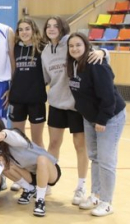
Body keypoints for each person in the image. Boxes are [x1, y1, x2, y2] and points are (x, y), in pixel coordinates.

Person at [41, 16, 106, 202]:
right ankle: (48, 183)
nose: (52, 29)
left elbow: (93, 53)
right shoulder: (45, 51)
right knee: (53, 144)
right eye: (49, 26)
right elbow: (45, 79)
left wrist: (103, 52)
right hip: (56, 104)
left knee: (80, 146)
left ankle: (80, 186)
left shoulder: (71, 44)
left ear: (62, 28)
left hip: (77, 105)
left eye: (56, 25)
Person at [67, 33, 126, 217]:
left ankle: (107, 202)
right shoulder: (74, 65)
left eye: (78, 45)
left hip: (110, 118)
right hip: (89, 118)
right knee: (94, 157)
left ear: (86, 46)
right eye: (71, 46)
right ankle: (96, 195)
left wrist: (102, 119)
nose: (75, 49)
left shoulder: (96, 64)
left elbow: (108, 96)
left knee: (106, 160)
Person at [0, 117, 60, 217]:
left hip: (49, 171)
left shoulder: (14, 134)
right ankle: (29, 189)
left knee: (42, 159)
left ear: (1, 127)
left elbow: (12, 137)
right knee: (2, 163)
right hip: (31, 174)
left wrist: (3, 134)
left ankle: (40, 200)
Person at [8, 18, 47, 149]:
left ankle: (39, 168)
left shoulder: (42, 47)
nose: (24, 32)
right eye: (21, 30)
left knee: (37, 141)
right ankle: (22, 168)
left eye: (27, 29)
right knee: (18, 140)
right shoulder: (16, 48)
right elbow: (13, 71)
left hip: (36, 100)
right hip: (17, 98)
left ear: (33, 30)